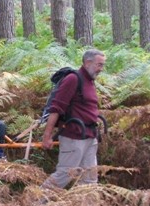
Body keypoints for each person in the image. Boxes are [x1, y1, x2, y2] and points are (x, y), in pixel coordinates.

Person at [41, 49, 106, 188]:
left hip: (90, 136)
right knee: (64, 175)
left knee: (90, 179)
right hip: (73, 136)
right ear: (88, 62)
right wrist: (47, 136)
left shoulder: (90, 81)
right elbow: (56, 108)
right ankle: (35, 204)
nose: (101, 69)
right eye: (99, 64)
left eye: (102, 65)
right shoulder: (73, 79)